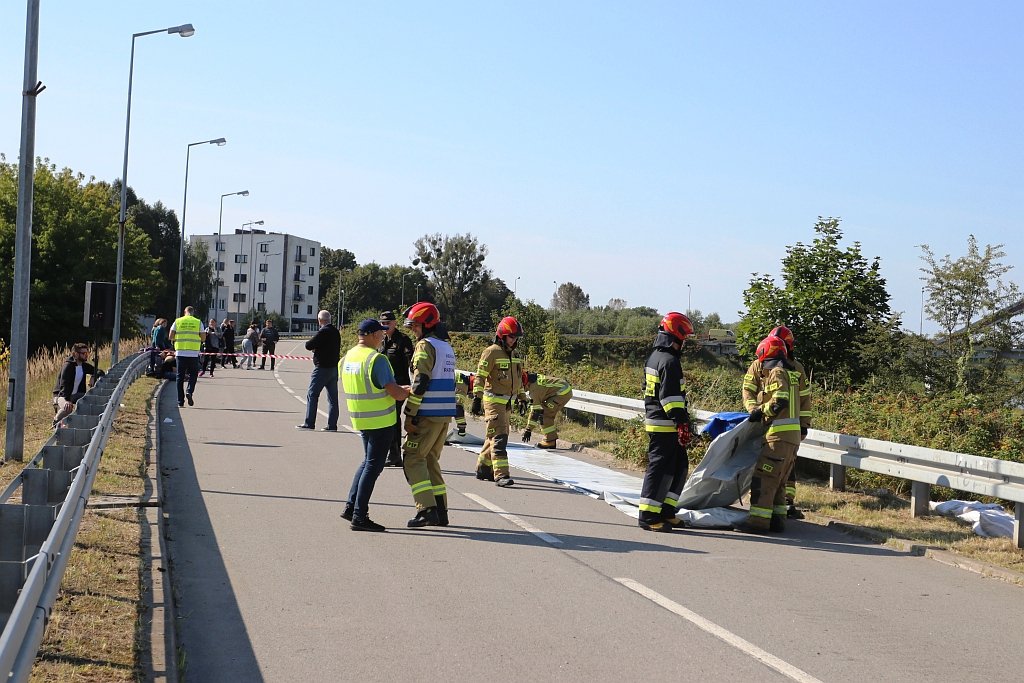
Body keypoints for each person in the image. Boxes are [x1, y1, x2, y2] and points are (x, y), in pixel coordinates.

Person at [340, 319, 411, 532]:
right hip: (381, 421)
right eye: (380, 333)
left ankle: (351, 507)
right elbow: (393, 391)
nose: (383, 336)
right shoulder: (376, 359)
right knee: (373, 466)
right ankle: (360, 516)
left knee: (367, 463)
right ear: (371, 334)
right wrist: (406, 391)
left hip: (360, 418)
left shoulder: (348, 357)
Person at [735, 335, 805, 534]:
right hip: (792, 437)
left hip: (777, 437)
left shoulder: (775, 372)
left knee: (764, 478)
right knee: (780, 481)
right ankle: (777, 520)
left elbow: (779, 400)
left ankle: (758, 522)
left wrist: (760, 411)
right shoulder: (792, 373)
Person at [638, 312, 694, 532]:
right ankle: (648, 516)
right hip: (664, 424)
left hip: (661, 422)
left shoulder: (655, 357)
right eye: (684, 338)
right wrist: (681, 421)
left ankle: (666, 511)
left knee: (679, 467)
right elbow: (669, 397)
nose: (685, 343)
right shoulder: (669, 361)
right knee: (660, 469)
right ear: (676, 336)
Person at [402, 302, 457, 527]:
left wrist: (410, 413)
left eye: (415, 326)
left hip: (427, 415)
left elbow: (421, 380)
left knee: (413, 459)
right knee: (430, 461)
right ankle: (441, 511)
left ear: (426, 325)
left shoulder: (425, 346)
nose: (413, 330)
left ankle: (426, 509)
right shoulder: (446, 346)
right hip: (444, 416)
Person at [471, 316, 528, 487]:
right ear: (502, 335)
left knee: (493, 436)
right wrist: (476, 397)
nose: (514, 340)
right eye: (511, 336)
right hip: (494, 402)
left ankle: (483, 467)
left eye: (516, 337)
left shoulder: (515, 355)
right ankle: (501, 475)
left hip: (507, 403)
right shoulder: (491, 352)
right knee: (499, 438)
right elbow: (480, 376)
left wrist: (522, 398)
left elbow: (518, 380)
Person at [377, 310, 415, 467]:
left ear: (394, 323)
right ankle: (391, 453)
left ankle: (394, 454)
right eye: (382, 323)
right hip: (386, 385)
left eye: (388, 323)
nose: (385, 326)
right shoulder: (382, 339)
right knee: (387, 420)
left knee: (393, 420)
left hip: (399, 386)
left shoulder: (403, 340)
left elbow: (411, 364)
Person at [298, 310, 342, 431]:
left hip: (322, 368)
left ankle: (309, 423)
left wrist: (316, 348)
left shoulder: (323, 331)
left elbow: (308, 345)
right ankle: (332, 425)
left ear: (320, 320)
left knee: (312, 395)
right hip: (333, 368)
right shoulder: (335, 331)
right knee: (333, 398)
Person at [52, 343, 104, 428]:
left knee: (90, 400)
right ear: (75, 354)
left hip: (76, 394)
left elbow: (99, 371)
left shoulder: (83, 366)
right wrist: (67, 400)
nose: (86, 355)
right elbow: (63, 386)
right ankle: (56, 422)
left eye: (87, 353)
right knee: (68, 407)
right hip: (61, 396)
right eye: (83, 353)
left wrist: (93, 376)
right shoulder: (68, 366)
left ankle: (84, 424)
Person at [520, 372, 574, 448]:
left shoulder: (535, 390)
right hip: (561, 390)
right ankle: (550, 439)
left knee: (544, 414)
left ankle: (550, 441)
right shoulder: (533, 381)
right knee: (543, 413)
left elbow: (535, 411)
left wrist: (528, 430)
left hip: (562, 393)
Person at [169, 305, 206, 407]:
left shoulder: (178, 321)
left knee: (179, 376)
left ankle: (180, 401)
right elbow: (203, 338)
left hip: (180, 352)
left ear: (185, 312)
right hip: (193, 353)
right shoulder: (198, 322)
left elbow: (170, 336)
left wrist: (176, 339)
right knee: (193, 374)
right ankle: (189, 391)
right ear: (192, 312)